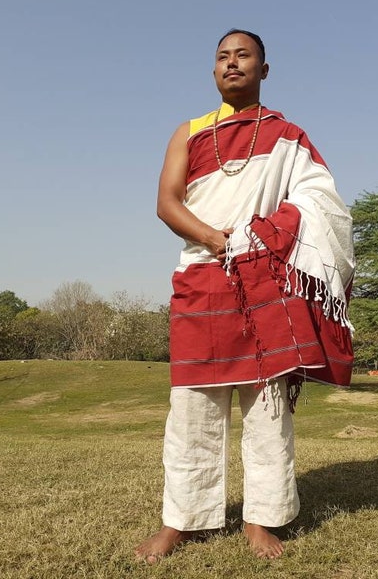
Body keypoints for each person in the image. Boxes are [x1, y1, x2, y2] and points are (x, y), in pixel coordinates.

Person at [135, 29, 355, 564]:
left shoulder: (288, 136)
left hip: (264, 282)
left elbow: (319, 198)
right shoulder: (187, 133)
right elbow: (167, 203)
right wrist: (217, 240)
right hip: (201, 276)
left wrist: (261, 236)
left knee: (267, 407)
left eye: (243, 56)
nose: (232, 64)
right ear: (214, 71)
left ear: (264, 69)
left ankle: (262, 519)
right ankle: (181, 521)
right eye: (222, 57)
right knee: (191, 407)